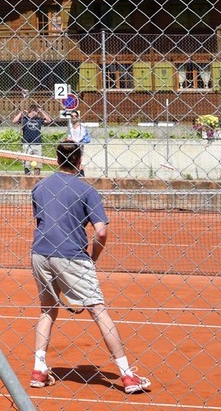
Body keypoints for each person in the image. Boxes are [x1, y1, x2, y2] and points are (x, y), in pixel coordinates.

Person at [29, 139, 150, 394]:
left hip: (40, 253)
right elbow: (101, 232)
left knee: (47, 310)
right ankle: (128, 376)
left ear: (57, 159)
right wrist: (92, 259)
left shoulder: (39, 187)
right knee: (98, 310)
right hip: (72, 255)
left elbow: (41, 222)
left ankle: (38, 370)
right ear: (80, 161)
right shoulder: (87, 190)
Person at [13, 102, 47, 174]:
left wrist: (42, 111)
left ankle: (37, 177)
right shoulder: (24, 119)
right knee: (27, 164)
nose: (38, 113)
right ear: (33, 111)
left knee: (38, 164)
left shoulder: (38, 119)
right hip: (27, 143)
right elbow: (14, 121)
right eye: (37, 111)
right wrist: (21, 113)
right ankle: (27, 176)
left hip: (37, 143)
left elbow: (49, 120)